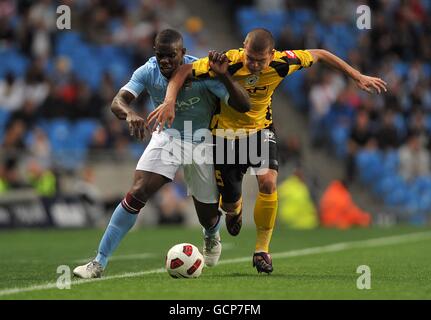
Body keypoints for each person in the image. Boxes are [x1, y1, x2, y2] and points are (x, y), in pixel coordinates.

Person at [148, 28, 387, 274]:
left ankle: (262, 250)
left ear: (271, 55)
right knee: (229, 207)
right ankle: (235, 208)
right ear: (244, 48)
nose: (252, 64)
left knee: (268, 183)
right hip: (225, 136)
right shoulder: (228, 61)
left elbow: (320, 54)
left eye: (259, 60)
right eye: (249, 57)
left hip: (261, 131)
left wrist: (355, 74)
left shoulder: (283, 62)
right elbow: (185, 70)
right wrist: (169, 100)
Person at [73, 29, 250, 278]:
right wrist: (130, 113)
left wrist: (224, 78)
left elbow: (244, 106)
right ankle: (98, 262)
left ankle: (211, 234)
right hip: (167, 136)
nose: (165, 61)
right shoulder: (148, 70)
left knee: (207, 216)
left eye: (171, 56)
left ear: (183, 53)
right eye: (160, 56)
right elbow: (118, 101)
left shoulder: (203, 72)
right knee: (137, 192)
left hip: (203, 142)